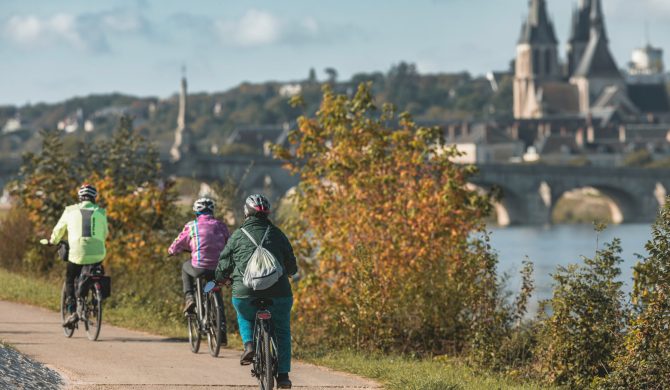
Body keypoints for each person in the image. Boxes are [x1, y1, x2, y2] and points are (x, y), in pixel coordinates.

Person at [216, 194, 298, 390]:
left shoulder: (237, 235)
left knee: (244, 314)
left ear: (246, 212)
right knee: (282, 331)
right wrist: (288, 272)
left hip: (246, 292)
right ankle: (284, 376)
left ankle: (250, 345)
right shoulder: (277, 233)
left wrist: (221, 278)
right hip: (279, 293)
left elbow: (223, 263)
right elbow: (292, 265)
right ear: (267, 213)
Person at [49, 184, 108, 327]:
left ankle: (72, 310)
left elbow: (58, 230)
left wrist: (53, 241)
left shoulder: (70, 211)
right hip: (98, 252)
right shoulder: (101, 212)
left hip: (77, 252)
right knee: (96, 271)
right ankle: (95, 300)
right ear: (94, 198)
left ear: (80, 197)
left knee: (70, 278)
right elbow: (105, 233)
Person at [168, 197, 230, 316]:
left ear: (196, 212)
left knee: (186, 266)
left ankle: (190, 297)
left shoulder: (191, 226)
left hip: (200, 267)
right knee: (215, 281)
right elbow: (231, 243)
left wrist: (172, 251)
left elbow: (178, 243)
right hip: (219, 268)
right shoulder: (221, 226)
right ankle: (218, 312)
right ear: (212, 212)